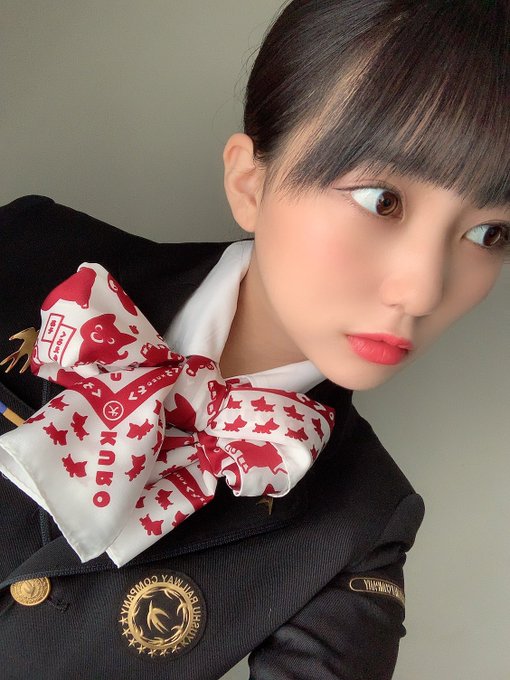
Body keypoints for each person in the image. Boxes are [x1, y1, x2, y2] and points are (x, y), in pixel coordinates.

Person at [0, 1, 508, 678]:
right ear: (250, 182)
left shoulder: (359, 522)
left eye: (490, 233)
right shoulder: (26, 247)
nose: (422, 291)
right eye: (381, 200)